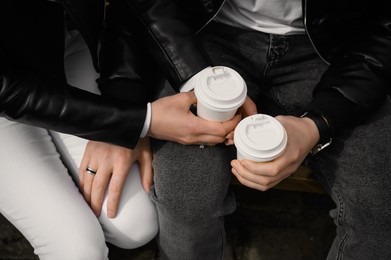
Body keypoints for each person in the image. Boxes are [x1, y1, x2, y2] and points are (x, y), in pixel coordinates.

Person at [103, 0, 391, 259]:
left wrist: (317, 124)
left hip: (340, 50)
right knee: (187, 197)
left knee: (381, 214)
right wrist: (195, 81)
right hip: (202, 38)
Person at [0, 0, 239, 259]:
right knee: (78, 251)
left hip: (68, 41)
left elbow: (129, 5)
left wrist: (124, 105)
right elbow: (9, 92)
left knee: (136, 226)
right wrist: (139, 121)